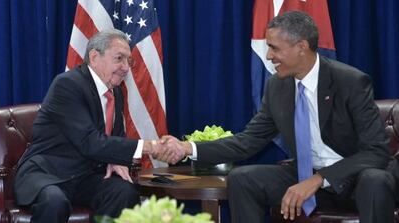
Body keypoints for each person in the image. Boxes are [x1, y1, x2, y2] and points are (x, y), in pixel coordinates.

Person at [155, 11, 396, 223]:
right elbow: (247, 141)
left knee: (375, 180)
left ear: (301, 47)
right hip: (306, 174)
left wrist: (318, 179)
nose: (269, 56)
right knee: (243, 178)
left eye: (274, 47)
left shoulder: (350, 82)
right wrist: (188, 148)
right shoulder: (277, 87)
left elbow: (376, 151)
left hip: (354, 178)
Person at [14, 29, 165, 223]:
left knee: (124, 192)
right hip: (49, 174)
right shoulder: (67, 85)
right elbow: (89, 141)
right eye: (119, 58)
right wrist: (148, 147)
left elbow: (115, 138)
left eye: (129, 60)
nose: (126, 67)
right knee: (55, 202)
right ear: (94, 57)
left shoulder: (116, 92)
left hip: (86, 176)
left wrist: (116, 159)